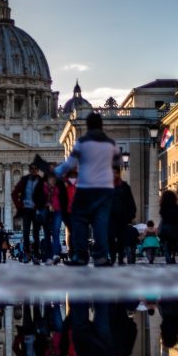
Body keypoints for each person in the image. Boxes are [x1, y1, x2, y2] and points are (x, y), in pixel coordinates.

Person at [55, 112, 121, 267]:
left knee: (79, 221)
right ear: (101, 125)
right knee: (101, 222)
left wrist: (57, 172)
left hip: (86, 186)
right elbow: (118, 160)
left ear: (88, 125)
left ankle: (81, 256)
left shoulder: (82, 142)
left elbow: (70, 163)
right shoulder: (111, 143)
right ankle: (101, 257)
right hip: (105, 187)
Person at [11, 163, 44, 263]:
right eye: (32, 169)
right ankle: (27, 253)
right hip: (26, 209)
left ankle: (36, 254)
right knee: (25, 232)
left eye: (35, 169)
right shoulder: (24, 180)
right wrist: (20, 205)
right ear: (30, 170)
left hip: (36, 209)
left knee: (36, 233)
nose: (34, 170)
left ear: (37, 170)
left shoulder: (41, 181)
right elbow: (14, 193)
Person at [109, 166, 137, 265]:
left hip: (122, 216)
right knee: (110, 237)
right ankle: (112, 256)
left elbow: (130, 201)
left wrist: (131, 214)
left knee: (121, 238)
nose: (114, 174)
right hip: (110, 217)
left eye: (116, 172)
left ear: (118, 173)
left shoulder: (124, 186)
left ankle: (121, 257)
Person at [42, 173, 64, 264]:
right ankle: (48, 256)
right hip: (46, 212)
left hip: (57, 211)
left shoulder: (59, 187)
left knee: (56, 232)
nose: (52, 180)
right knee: (47, 235)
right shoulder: (43, 188)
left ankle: (55, 254)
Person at [157, 190, 178, 264]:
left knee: (166, 244)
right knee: (174, 244)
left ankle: (168, 257)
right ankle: (173, 256)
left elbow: (163, 218)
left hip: (166, 228)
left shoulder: (163, 207)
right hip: (175, 228)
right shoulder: (177, 207)